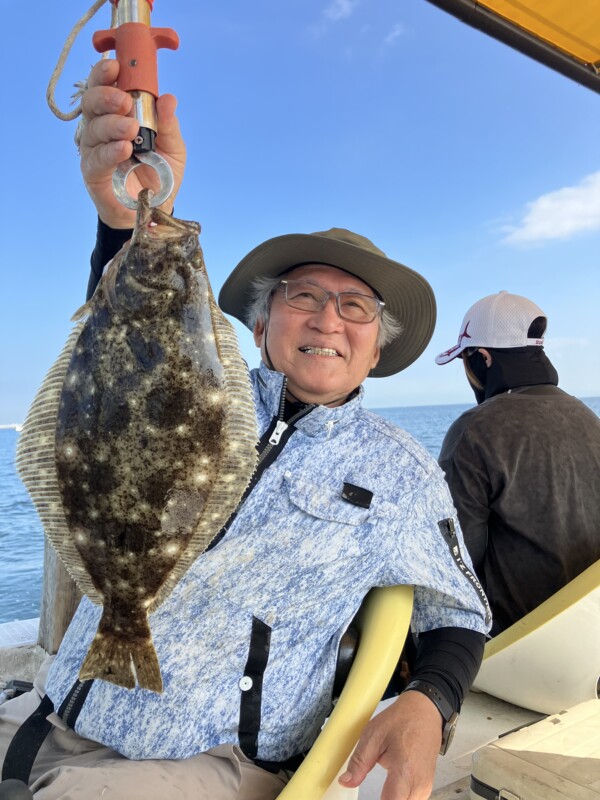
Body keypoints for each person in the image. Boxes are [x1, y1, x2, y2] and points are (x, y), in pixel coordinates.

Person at [0, 59, 491, 800]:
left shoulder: (401, 472)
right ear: (261, 325)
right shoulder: (209, 387)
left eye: (355, 308)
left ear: (377, 347)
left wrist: (430, 702)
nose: (329, 320)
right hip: (63, 707)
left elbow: (460, 613)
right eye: (304, 297)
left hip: (217, 758)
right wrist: (120, 222)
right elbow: (128, 360)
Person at [436, 290, 600, 635]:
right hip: (590, 635)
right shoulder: (589, 419)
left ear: (483, 358)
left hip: (516, 647)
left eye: (465, 360)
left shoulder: (474, 430)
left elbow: (454, 563)